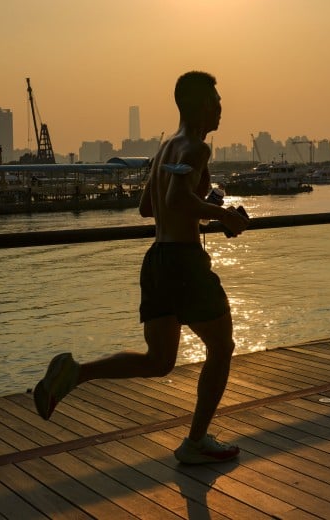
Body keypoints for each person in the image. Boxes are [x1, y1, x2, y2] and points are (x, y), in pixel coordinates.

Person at [33, 70, 250, 464]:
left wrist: (203, 209)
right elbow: (178, 198)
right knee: (222, 347)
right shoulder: (197, 149)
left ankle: (74, 373)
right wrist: (224, 215)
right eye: (217, 102)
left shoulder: (165, 148)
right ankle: (196, 441)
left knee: (159, 360)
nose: (221, 109)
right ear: (202, 106)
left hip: (157, 260)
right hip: (184, 262)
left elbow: (149, 207)